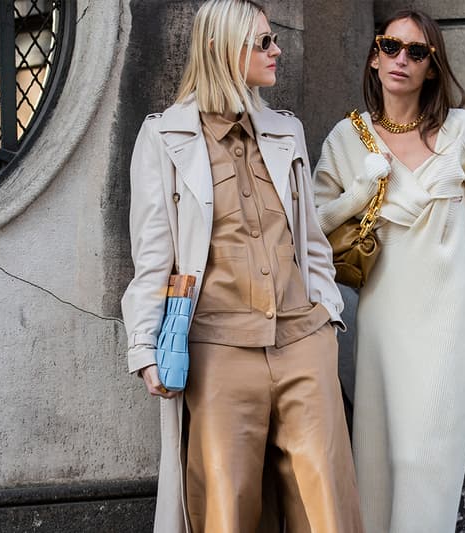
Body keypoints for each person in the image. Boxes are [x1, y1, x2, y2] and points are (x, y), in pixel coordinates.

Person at [121, 1, 363, 531]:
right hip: (218, 352)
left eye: (274, 39)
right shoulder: (166, 138)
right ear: (220, 48)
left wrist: (327, 315)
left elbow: (310, 239)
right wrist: (144, 349)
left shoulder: (286, 131)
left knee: (329, 512)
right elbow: (153, 256)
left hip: (303, 341)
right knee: (225, 511)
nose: (277, 51)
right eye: (263, 42)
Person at [313, 9, 465, 533]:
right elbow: (309, 226)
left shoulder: (462, 131)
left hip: (446, 333)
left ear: (432, 66)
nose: (402, 59)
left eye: (416, 52)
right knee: (376, 474)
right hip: (378, 332)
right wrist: (359, 192)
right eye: (391, 47)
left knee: (428, 470)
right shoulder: (347, 139)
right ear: (375, 57)